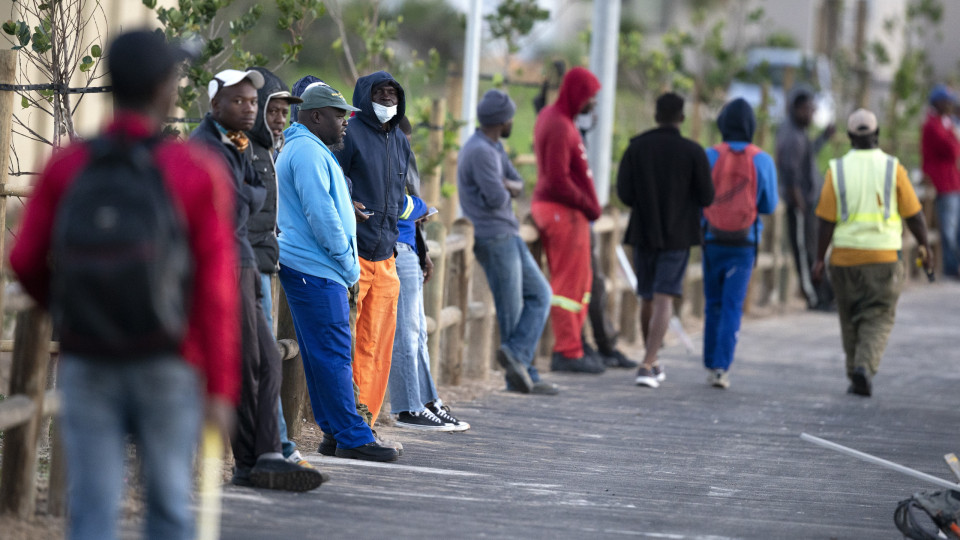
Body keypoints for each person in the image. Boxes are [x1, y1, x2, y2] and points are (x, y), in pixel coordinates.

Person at [8, 30, 238, 540]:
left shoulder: (68, 164)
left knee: (91, 510)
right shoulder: (194, 170)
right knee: (170, 507)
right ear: (164, 89)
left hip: (88, 357)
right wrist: (221, 388)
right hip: (169, 360)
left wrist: (69, 310)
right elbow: (217, 293)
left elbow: (23, 259)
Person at [191, 69, 323, 489]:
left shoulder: (241, 143)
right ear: (215, 105)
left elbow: (249, 195)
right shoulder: (209, 145)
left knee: (262, 360)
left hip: (243, 258)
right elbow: (234, 205)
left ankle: (259, 460)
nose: (250, 109)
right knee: (256, 361)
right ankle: (260, 458)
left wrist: (246, 195)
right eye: (239, 101)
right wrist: (247, 195)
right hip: (224, 262)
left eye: (253, 101)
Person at [275, 81, 399, 461]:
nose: (346, 121)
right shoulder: (308, 154)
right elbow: (322, 217)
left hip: (313, 268)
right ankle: (352, 435)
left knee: (319, 355)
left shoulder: (306, 148)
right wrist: (349, 266)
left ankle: (333, 430)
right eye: (338, 114)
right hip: (319, 268)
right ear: (315, 116)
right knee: (333, 354)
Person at [813, 109, 933, 397]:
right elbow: (915, 216)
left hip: (843, 259)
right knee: (878, 316)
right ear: (876, 135)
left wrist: (819, 259)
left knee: (849, 315)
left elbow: (825, 221)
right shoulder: (894, 169)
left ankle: (855, 369)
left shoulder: (836, 169)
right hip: (884, 259)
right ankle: (863, 368)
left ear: (850, 136)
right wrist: (925, 246)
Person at [458, 89, 558, 395]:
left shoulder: (495, 147)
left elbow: (518, 182)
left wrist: (508, 185)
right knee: (511, 310)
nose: (513, 120)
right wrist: (507, 187)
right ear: (501, 120)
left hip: (508, 232)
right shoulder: (481, 152)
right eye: (511, 116)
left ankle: (521, 365)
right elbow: (498, 196)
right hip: (493, 236)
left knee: (541, 293)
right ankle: (521, 374)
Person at [616, 92, 715, 389]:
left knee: (647, 296)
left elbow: (624, 194)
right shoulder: (694, 152)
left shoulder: (636, 148)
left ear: (656, 115)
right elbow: (707, 196)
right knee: (664, 298)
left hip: (643, 232)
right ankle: (647, 364)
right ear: (681, 118)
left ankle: (652, 359)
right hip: (678, 234)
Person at [244, 66, 312, 468]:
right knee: (265, 361)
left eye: (285, 112)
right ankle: (278, 448)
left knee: (265, 360)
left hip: (264, 265)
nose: (280, 119)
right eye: (273, 110)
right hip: (245, 268)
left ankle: (275, 447)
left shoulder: (270, 150)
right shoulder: (245, 151)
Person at [332, 71, 410, 424]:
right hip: (355, 256)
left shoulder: (401, 140)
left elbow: (403, 197)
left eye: (393, 95)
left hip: (387, 259)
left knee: (377, 347)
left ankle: (368, 422)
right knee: (346, 345)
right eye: (380, 94)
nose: (388, 100)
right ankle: (346, 420)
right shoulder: (349, 135)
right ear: (364, 96)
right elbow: (332, 185)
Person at [389, 120, 470, 429]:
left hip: (410, 249)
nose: (404, 148)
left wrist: (423, 254)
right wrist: (421, 205)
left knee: (419, 331)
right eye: (401, 141)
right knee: (406, 332)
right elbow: (393, 205)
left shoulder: (404, 162)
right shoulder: (378, 157)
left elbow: (412, 217)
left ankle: (426, 400)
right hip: (395, 250)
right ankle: (409, 407)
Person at [531, 67, 606, 375]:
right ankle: (567, 350)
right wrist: (588, 205)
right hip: (562, 211)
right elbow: (558, 179)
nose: (593, 104)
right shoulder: (560, 125)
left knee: (581, 282)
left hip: (566, 212)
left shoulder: (557, 118)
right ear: (577, 93)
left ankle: (575, 344)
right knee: (567, 284)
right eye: (590, 97)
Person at [701, 98, 778, 389]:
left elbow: (699, 197)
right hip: (744, 244)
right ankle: (721, 368)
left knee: (713, 303)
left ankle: (709, 361)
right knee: (733, 305)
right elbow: (769, 205)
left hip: (711, 240)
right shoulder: (762, 160)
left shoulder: (709, 155)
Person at [775, 85, 836, 310]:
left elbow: (809, 153)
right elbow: (790, 175)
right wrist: (799, 204)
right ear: (798, 109)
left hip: (810, 202)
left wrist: (824, 138)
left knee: (815, 249)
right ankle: (815, 296)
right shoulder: (790, 136)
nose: (812, 114)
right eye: (809, 110)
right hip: (800, 204)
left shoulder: (799, 132)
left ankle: (826, 294)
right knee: (805, 252)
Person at [921, 84, 960, 279]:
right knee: (948, 229)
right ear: (936, 102)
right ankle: (951, 268)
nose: (950, 104)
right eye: (946, 101)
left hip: (953, 181)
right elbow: (953, 150)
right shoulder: (933, 125)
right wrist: (955, 138)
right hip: (942, 183)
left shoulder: (946, 123)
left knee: (956, 227)